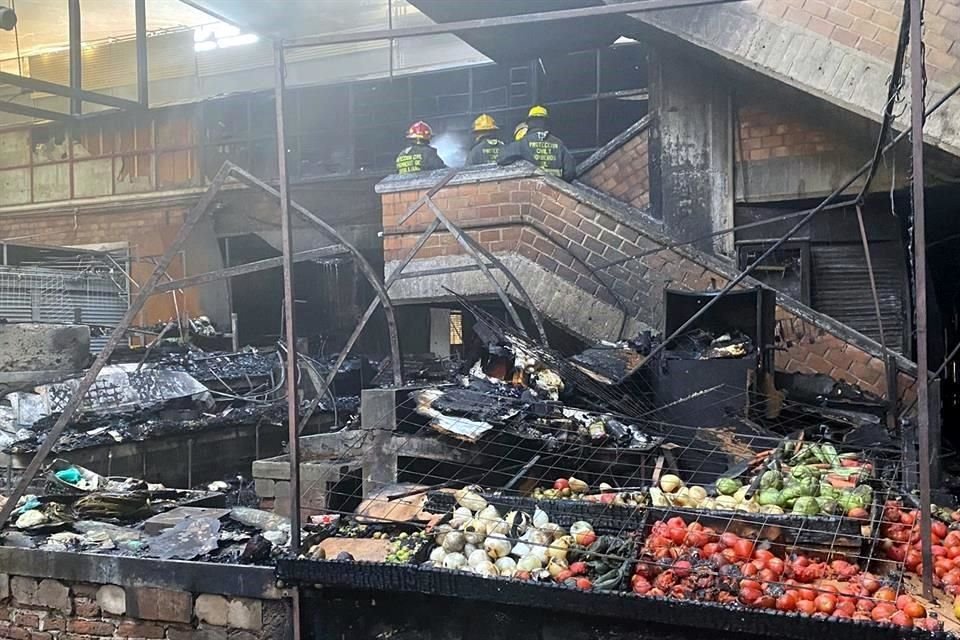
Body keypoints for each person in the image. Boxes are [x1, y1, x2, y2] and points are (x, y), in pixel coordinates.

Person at [498, 105, 576, 181]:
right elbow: (570, 172)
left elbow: (501, 159)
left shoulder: (522, 143)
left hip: (529, 186)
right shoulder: (559, 144)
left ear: (528, 124)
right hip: (555, 187)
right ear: (547, 123)